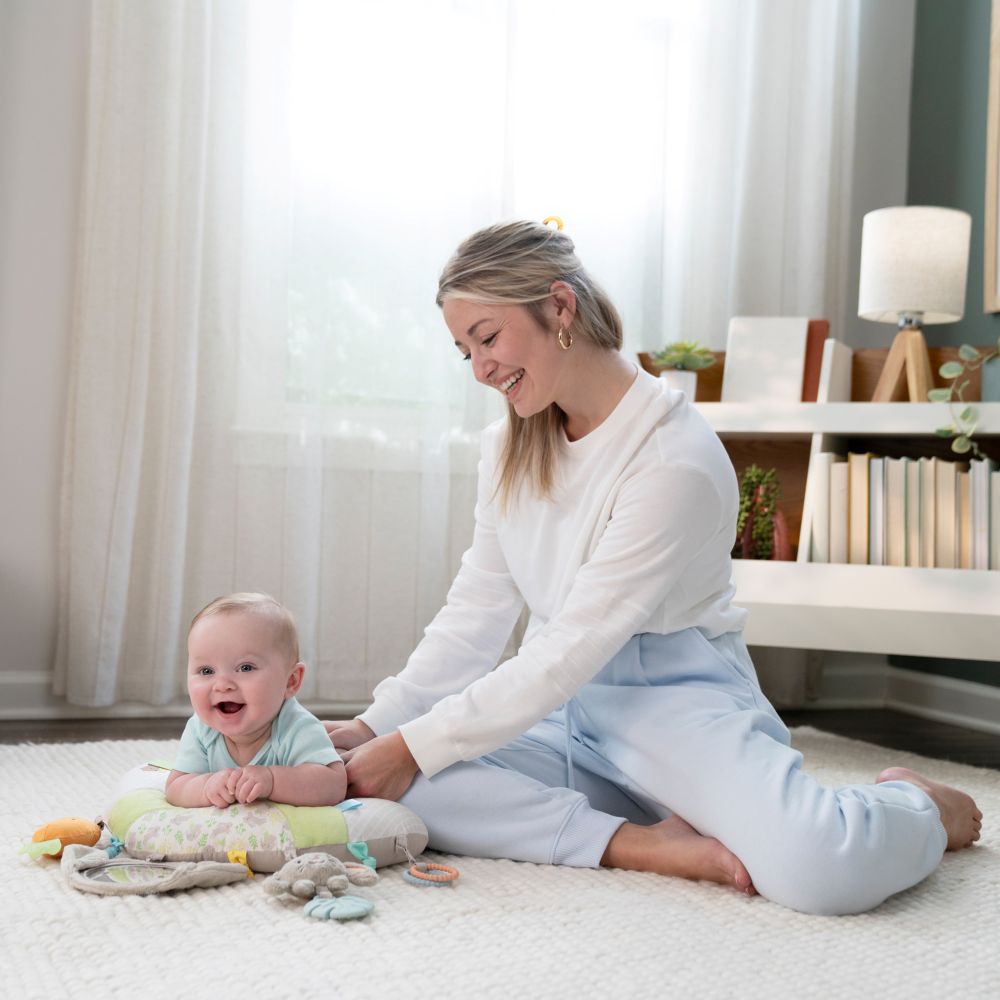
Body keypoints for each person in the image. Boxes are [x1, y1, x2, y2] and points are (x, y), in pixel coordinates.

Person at [324, 219, 982, 915]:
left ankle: (918, 805)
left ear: (558, 306)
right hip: (560, 708)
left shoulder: (674, 460)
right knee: (404, 787)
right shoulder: (507, 446)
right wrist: (379, 727)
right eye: (466, 353)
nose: (481, 369)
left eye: (487, 338)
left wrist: (410, 743)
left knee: (820, 870)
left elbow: (573, 646)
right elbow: (476, 613)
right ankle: (639, 843)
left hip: (674, 704)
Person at [166, 593, 347, 808]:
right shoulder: (201, 729)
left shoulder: (296, 726)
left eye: (245, 668)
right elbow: (176, 787)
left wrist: (272, 780)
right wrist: (205, 786)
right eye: (206, 670)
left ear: (291, 681)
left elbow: (333, 784)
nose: (222, 684)